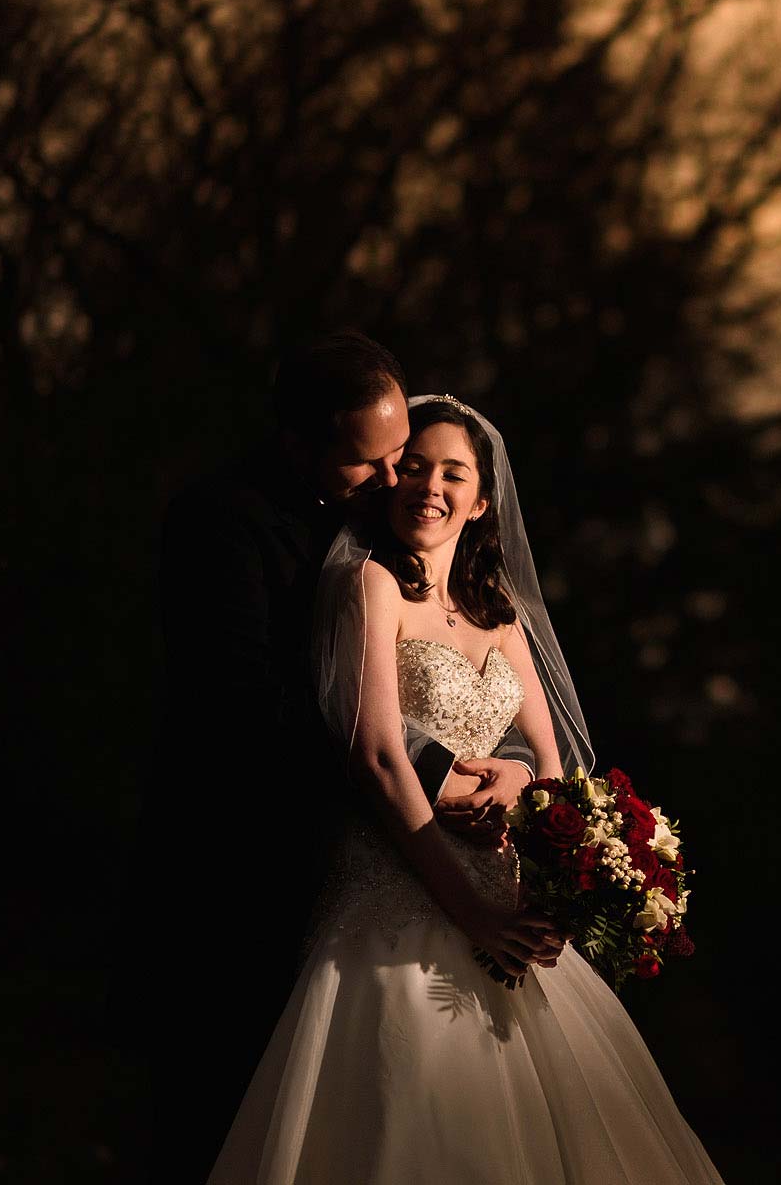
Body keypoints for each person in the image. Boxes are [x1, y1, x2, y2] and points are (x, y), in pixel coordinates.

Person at [207, 394, 726, 1184]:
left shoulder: (503, 613)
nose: (429, 485)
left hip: (508, 905)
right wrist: (472, 911)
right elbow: (378, 756)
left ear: (481, 499)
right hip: (398, 885)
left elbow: (554, 774)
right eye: (412, 467)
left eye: (453, 472)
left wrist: (520, 784)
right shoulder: (369, 586)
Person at [146, 335, 538, 1183]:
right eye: (375, 462)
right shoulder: (222, 522)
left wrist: (502, 762)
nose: (402, 479)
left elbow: (440, 656)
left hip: (369, 847)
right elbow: (253, 706)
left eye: (406, 454)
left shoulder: (370, 513)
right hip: (241, 858)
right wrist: (422, 763)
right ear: (301, 446)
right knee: (237, 1115)